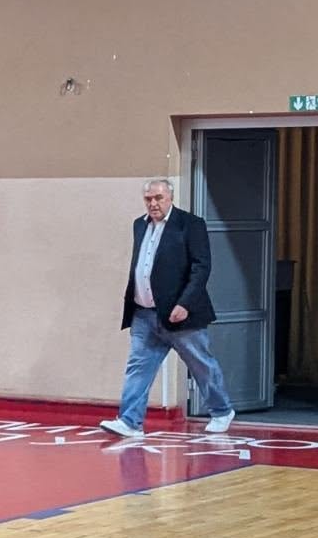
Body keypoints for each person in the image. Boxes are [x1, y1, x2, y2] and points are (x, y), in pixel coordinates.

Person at [100, 179, 234, 437]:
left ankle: (221, 410)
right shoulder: (139, 225)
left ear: (170, 198)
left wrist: (185, 303)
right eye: (148, 199)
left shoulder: (190, 224)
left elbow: (201, 267)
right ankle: (130, 422)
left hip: (179, 315)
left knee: (201, 365)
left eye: (158, 198)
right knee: (138, 367)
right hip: (144, 313)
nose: (153, 203)